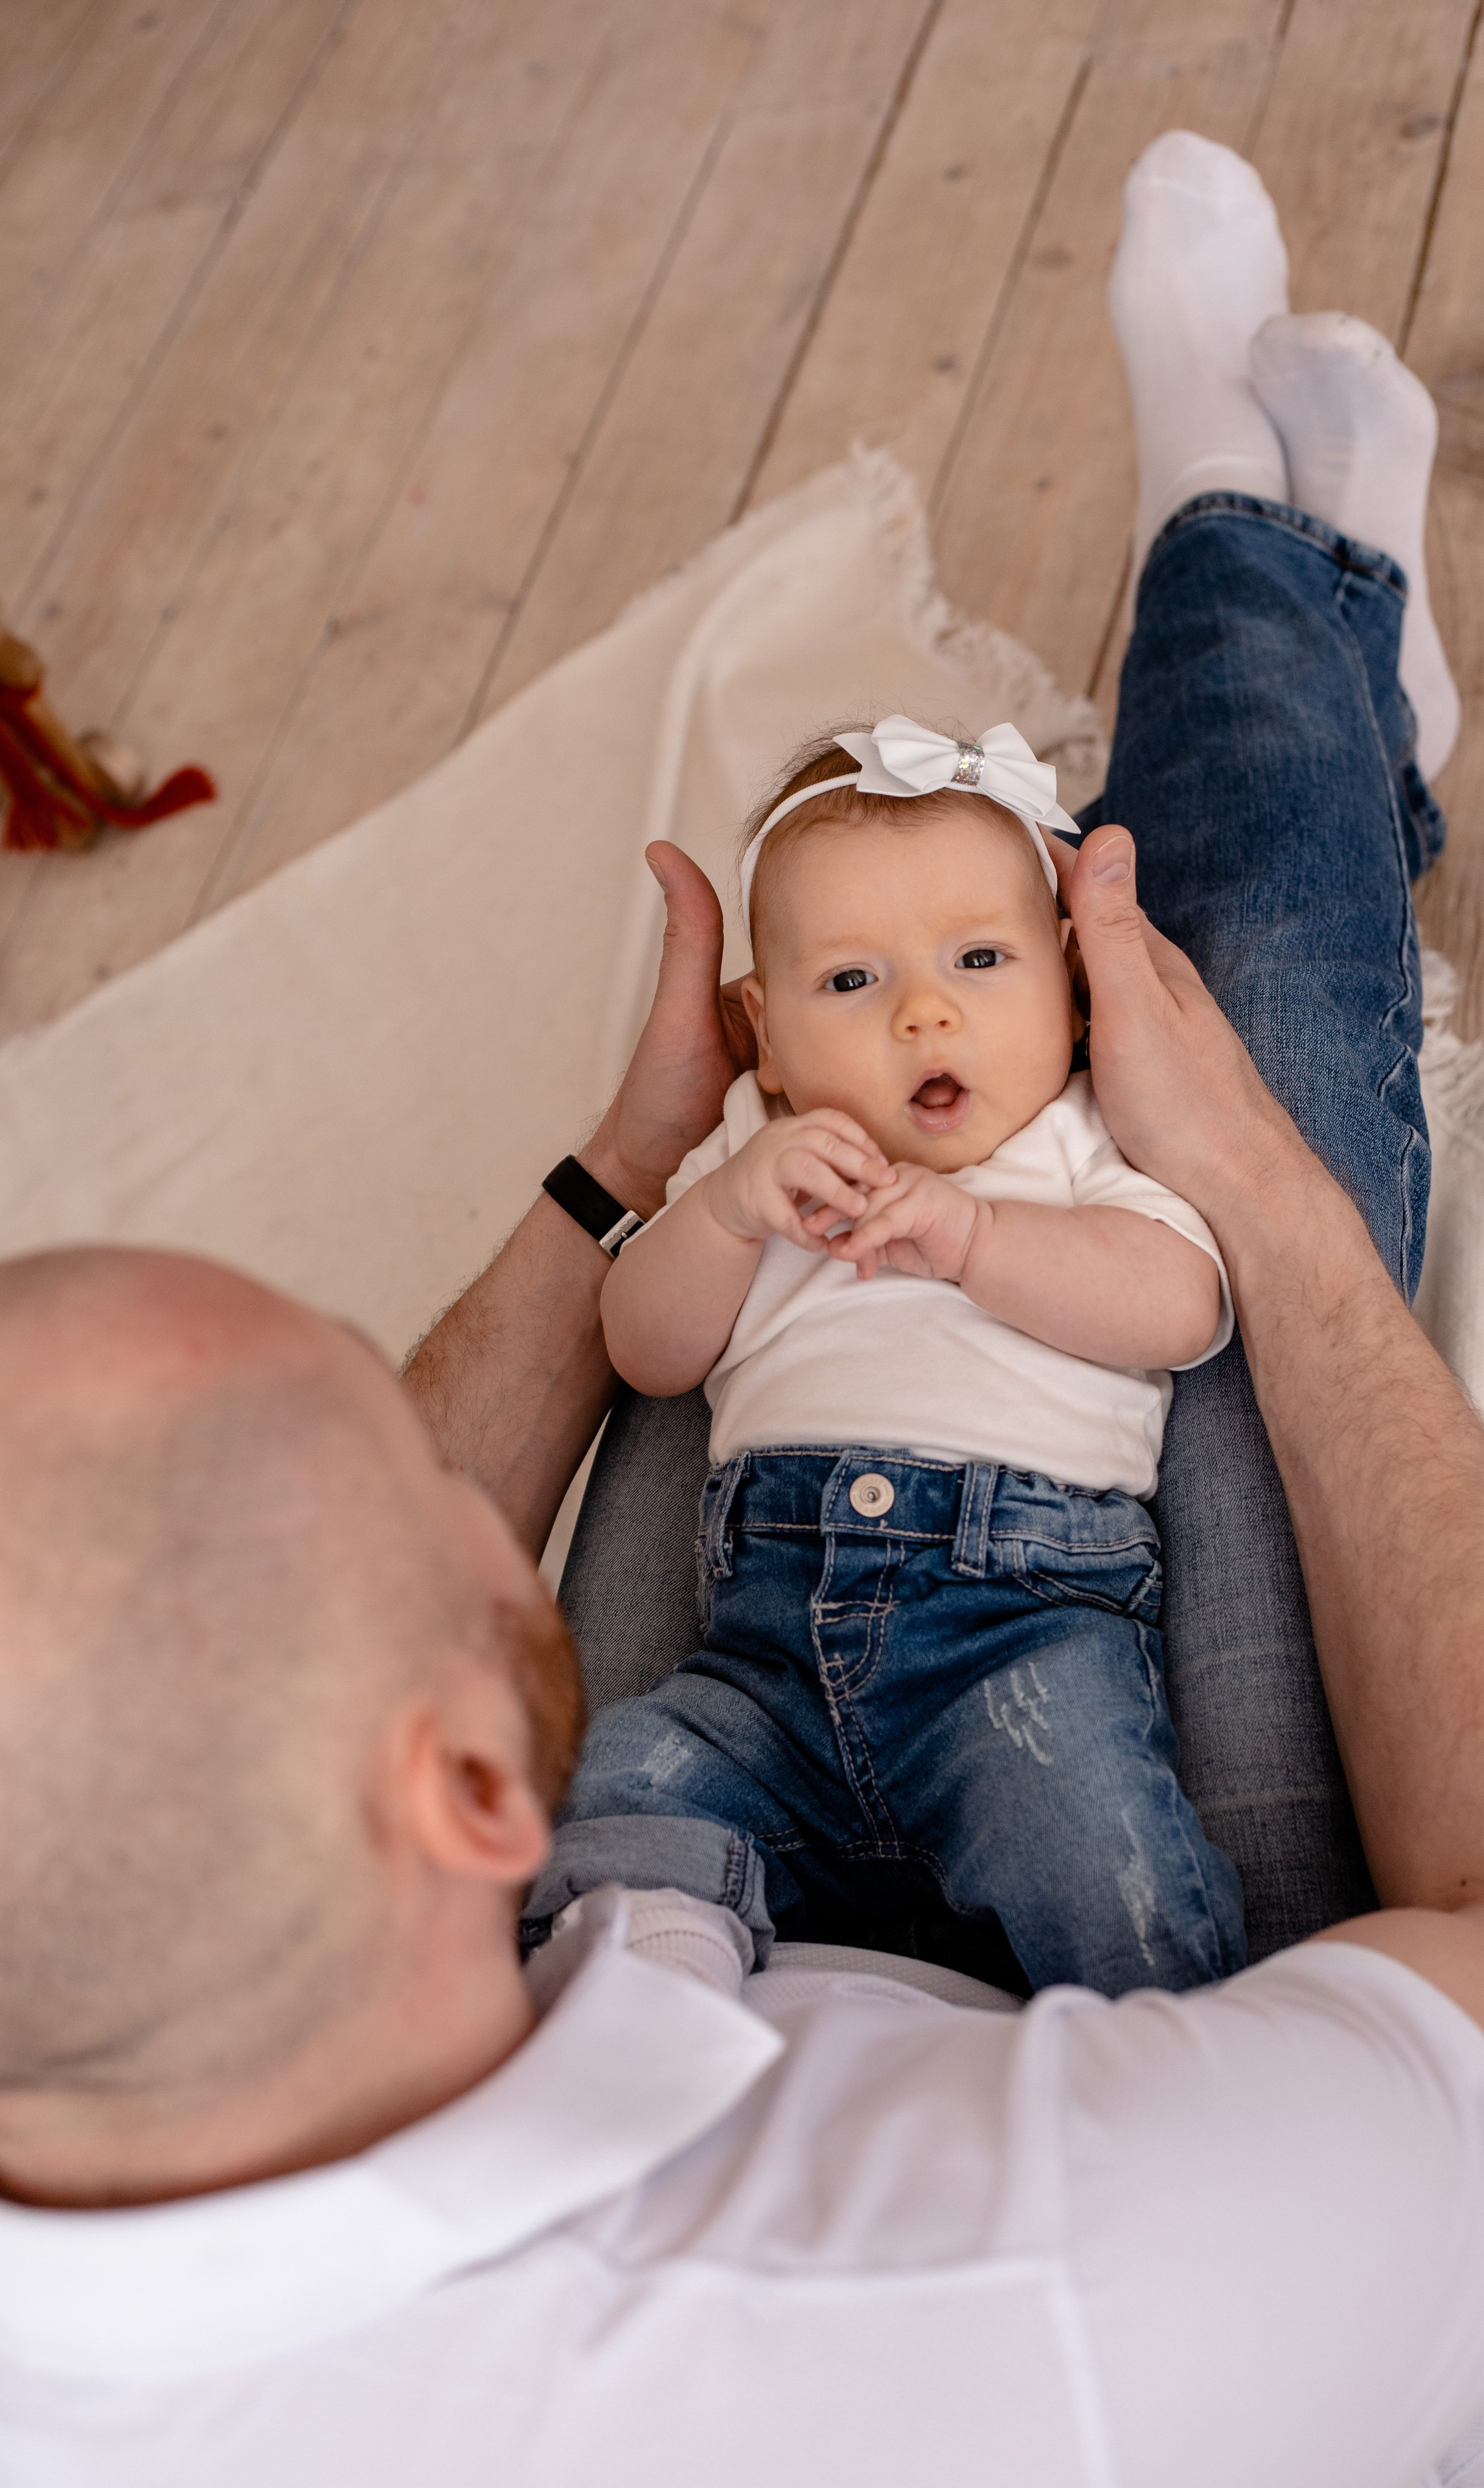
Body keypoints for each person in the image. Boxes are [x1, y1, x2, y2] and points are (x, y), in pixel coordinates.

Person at [0, 132, 1484, 2488]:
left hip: (746, 1781)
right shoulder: (1097, 2292)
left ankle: (1293, 618)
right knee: (1228, 1030)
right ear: (466, 1791)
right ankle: (1265, 566)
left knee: (1087, 974)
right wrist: (1233, 1194)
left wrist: (668, 1167)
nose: (495, 1499)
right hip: (1063, 1772)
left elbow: (635, 1353)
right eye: (425, 1500)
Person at [534, 711, 1243, 1999]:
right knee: (626, 1781)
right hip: (763, 1678)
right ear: (765, 1034)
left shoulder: (1080, 1135)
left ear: (1072, 983)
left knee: (1105, 1854)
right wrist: (723, 1212)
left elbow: (1180, 1305)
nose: (926, 1013)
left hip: (1020, 1643)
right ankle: (653, 2004)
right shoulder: (760, 1151)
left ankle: (1152, 2062)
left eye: (980, 959)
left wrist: (977, 1238)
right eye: (852, 983)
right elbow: (643, 1351)